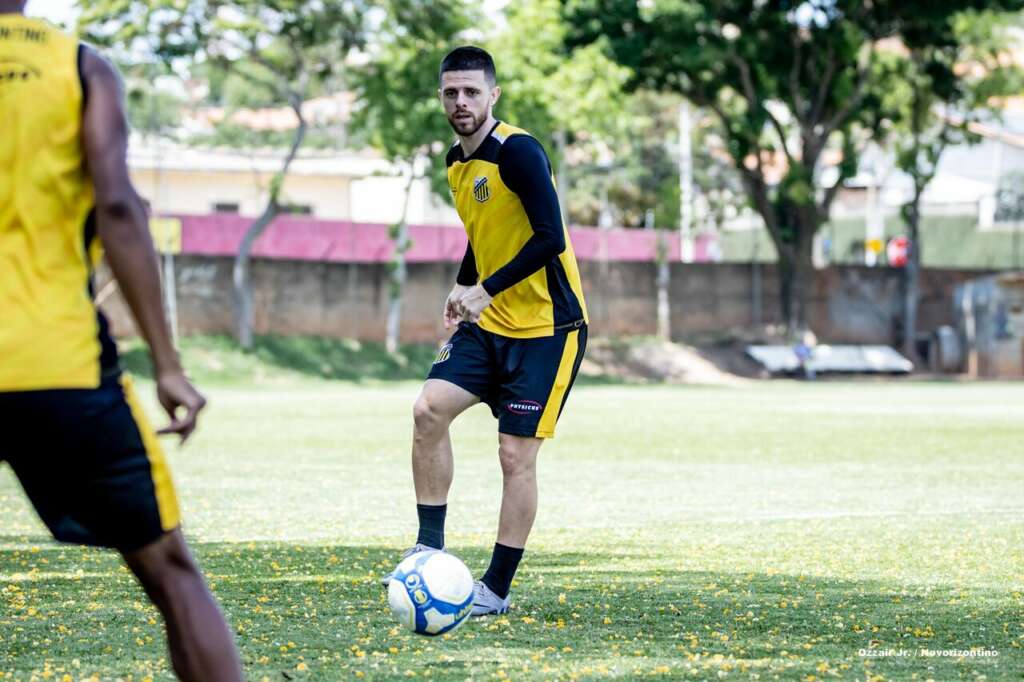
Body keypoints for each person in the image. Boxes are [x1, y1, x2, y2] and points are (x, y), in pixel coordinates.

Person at [0, 5, 243, 679]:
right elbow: (117, 206)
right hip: (57, 362)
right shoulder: (80, 69)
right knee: (170, 570)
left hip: (54, 360)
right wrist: (168, 364)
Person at [384, 46, 589, 616]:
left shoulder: (519, 152)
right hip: (487, 322)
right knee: (428, 410)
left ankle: (494, 589)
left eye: (472, 91)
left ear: (493, 94)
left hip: (548, 329)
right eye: (451, 92)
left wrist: (485, 289)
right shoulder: (455, 160)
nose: (461, 102)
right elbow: (484, 231)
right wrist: (462, 286)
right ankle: (428, 551)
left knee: (514, 456)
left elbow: (549, 236)